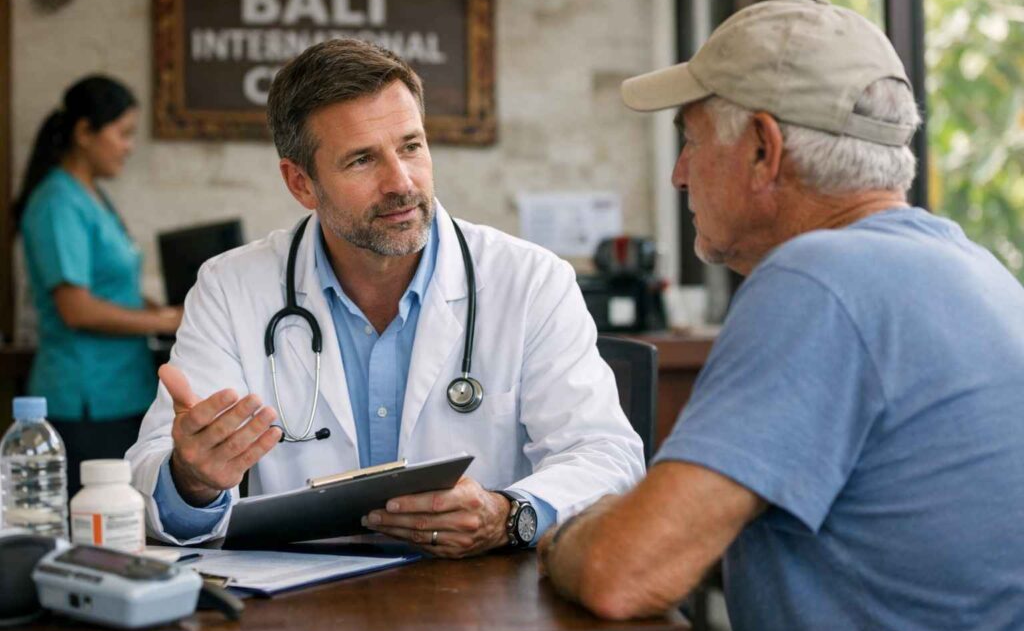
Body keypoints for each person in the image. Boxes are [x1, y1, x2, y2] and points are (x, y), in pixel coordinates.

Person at [539, 0, 1024, 631]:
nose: (680, 174)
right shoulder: (978, 269)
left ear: (764, 150)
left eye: (691, 140)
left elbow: (622, 573)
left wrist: (570, 534)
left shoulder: (818, 280)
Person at [125, 39, 645, 556]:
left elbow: (605, 455)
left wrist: (509, 515)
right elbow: (151, 474)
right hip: (299, 606)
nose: (400, 182)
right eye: (361, 160)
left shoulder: (530, 280)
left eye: (411, 146)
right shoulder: (231, 288)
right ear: (301, 183)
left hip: (481, 600)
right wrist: (191, 479)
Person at [14, 75, 183, 497]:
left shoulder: (93, 196)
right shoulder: (57, 201)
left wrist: (164, 307)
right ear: (84, 132)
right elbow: (77, 308)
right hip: (85, 398)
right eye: (123, 134)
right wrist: (162, 319)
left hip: (122, 392)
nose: (129, 147)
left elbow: (115, 288)